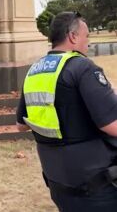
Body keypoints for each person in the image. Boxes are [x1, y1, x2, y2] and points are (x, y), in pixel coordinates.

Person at [16, 11, 117, 212]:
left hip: (59, 184)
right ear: (72, 36)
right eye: (86, 36)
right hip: (97, 186)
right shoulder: (82, 67)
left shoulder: (34, 71)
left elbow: (20, 125)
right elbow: (112, 125)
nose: (88, 42)